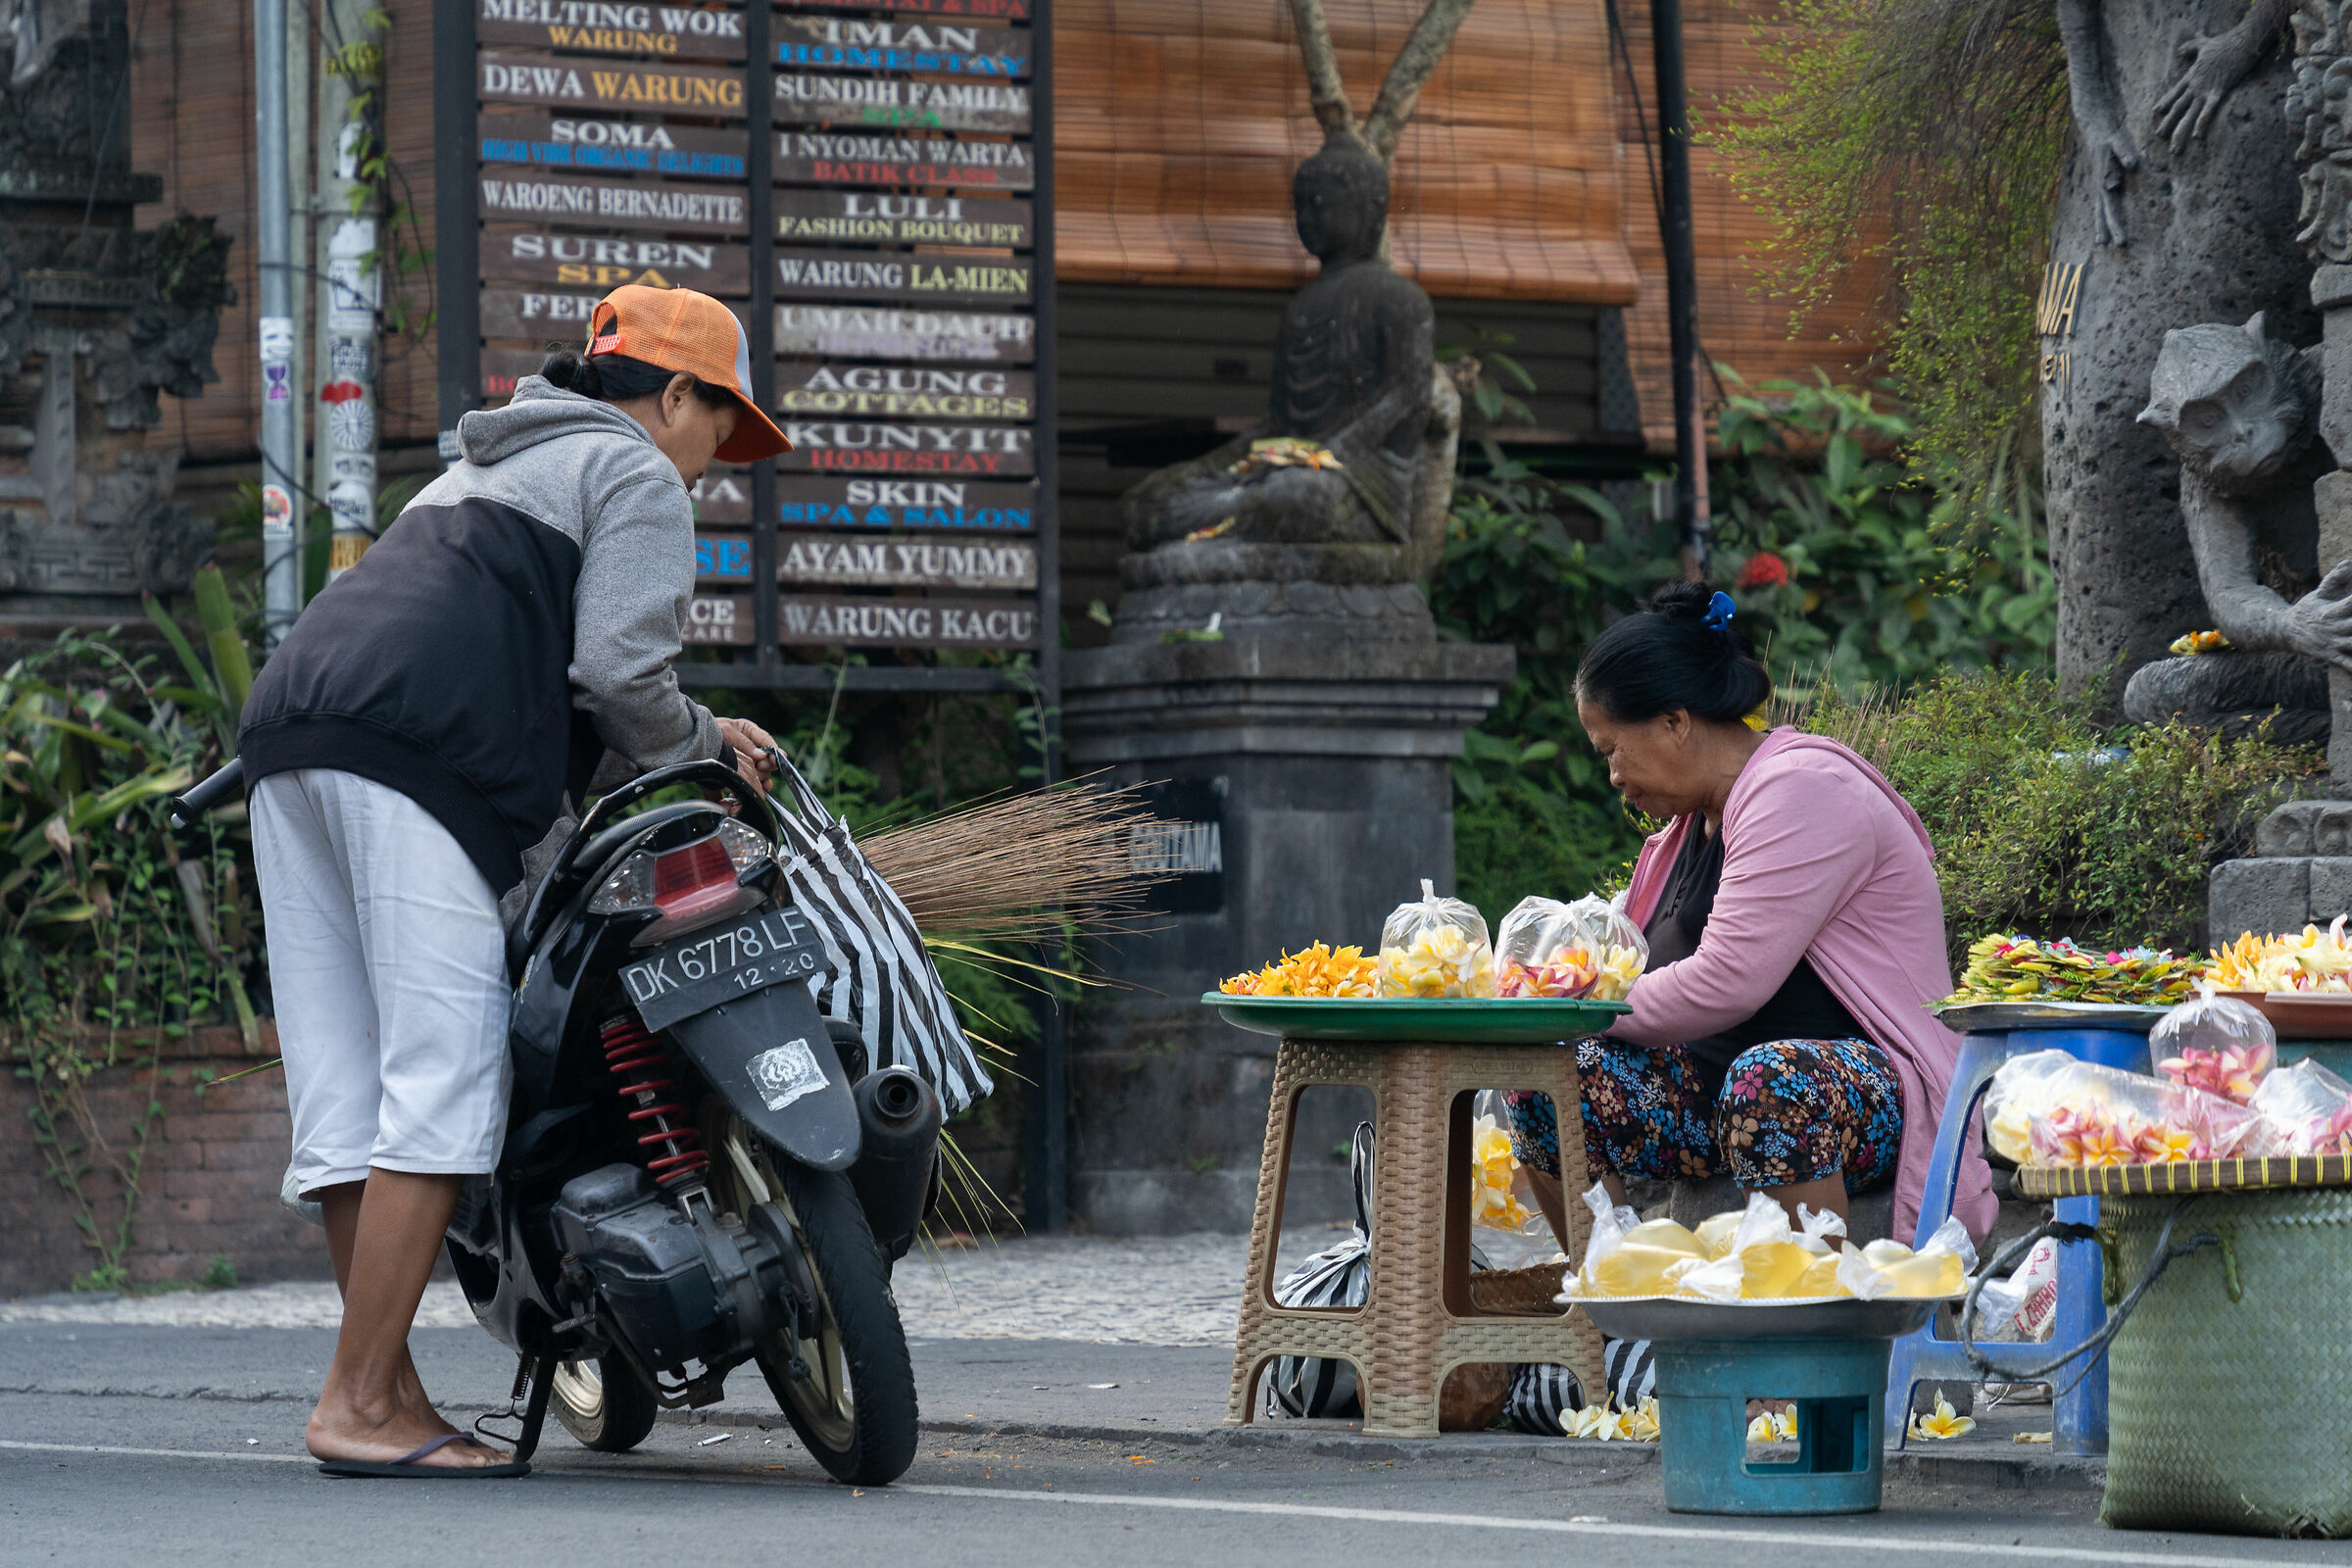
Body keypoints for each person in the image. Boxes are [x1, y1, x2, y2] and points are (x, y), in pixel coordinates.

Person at [237, 285, 792, 1475]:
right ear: (675, 394)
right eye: (718, 429)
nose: (713, 466)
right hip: (417, 751)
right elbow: (620, 676)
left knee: (349, 1089)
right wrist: (705, 737)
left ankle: (380, 1398)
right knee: (444, 1070)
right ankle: (355, 1397)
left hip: (286, 738)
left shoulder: (480, 469)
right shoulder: (633, 470)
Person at [1504, 582, 1995, 1252]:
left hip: (1870, 1092)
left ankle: (1806, 1327)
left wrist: (1576, 1004)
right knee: (1541, 1078)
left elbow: (1726, 982)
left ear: (1675, 722)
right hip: (1721, 1096)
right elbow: (1634, 972)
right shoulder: (1684, 832)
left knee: (1769, 1079)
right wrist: (1544, 995)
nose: (1613, 774)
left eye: (1613, 748)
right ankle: (1611, 1305)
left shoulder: (1801, 789)